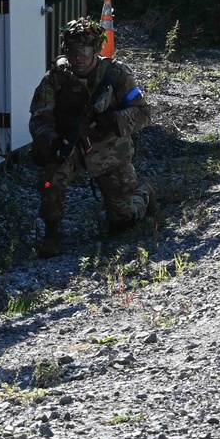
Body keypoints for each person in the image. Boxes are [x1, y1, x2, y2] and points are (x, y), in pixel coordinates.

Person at [28, 16, 156, 259]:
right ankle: (51, 233)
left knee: (122, 220)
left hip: (108, 148)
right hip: (69, 144)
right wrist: (53, 140)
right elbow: (39, 118)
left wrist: (113, 120)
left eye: (85, 52)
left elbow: (143, 112)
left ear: (96, 50)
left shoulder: (116, 75)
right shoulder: (56, 77)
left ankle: (144, 195)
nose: (79, 58)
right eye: (73, 52)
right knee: (50, 180)